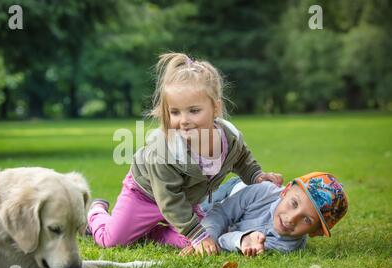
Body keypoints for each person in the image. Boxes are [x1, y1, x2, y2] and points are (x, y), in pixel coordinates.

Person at [86, 52, 282, 256]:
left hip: (185, 202)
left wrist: (256, 175)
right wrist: (195, 232)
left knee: (199, 243)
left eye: (194, 111)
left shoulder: (229, 138)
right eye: (175, 112)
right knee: (112, 240)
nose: (184, 120)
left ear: (215, 108)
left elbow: (241, 158)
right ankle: (95, 213)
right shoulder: (164, 152)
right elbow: (169, 199)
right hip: (145, 196)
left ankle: (149, 232)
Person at [181, 172, 349, 257]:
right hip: (233, 194)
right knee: (190, 209)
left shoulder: (287, 246)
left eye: (306, 219)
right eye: (294, 203)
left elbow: (226, 241)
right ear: (286, 191)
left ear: (315, 231)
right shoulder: (263, 193)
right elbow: (222, 213)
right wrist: (203, 238)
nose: (291, 218)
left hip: (235, 224)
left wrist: (242, 240)